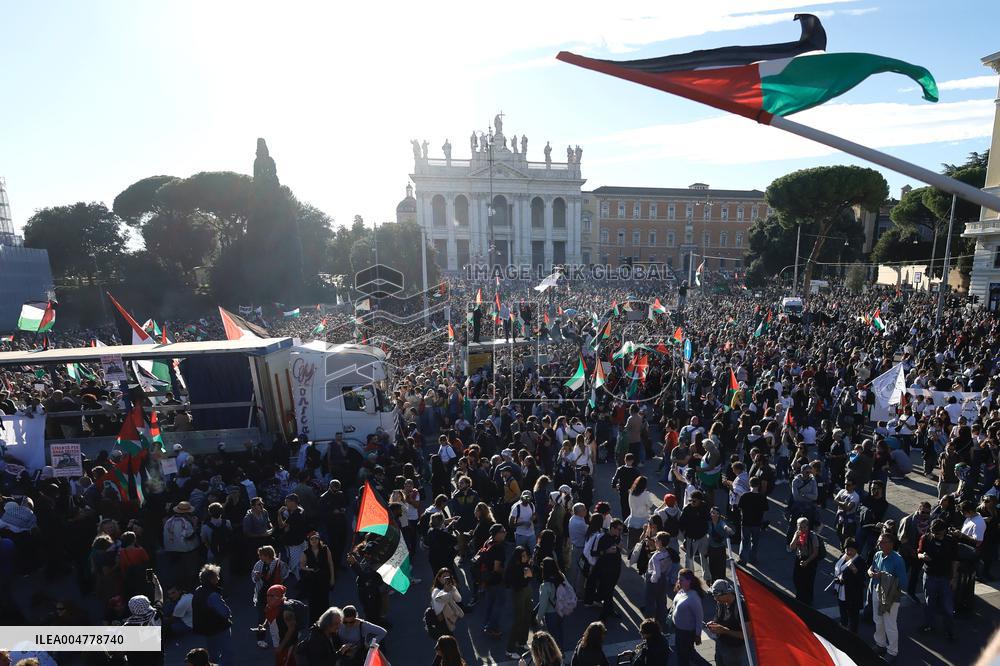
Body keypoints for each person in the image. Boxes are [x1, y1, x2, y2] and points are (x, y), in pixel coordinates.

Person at [868, 533, 907, 662]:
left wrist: (883, 576)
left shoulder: (898, 559)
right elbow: (872, 567)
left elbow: (903, 583)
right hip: (877, 591)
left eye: (883, 542)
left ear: (891, 544)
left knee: (890, 624)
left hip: (891, 596)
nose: (880, 544)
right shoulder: (878, 554)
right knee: (877, 620)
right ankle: (880, 644)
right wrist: (870, 572)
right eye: (879, 541)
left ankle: (892, 651)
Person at [917, 519, 956, 640]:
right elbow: (918, 553)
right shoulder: (925, 538)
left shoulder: (951, 541)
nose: (934, 535)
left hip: (945, 577)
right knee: (929, 603)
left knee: (948, 606)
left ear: (944, 531)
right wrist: (922, 556)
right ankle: (929, 625)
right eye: (933, 532)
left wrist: (954, 578)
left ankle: (949, 630)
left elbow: (955, 561)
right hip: (929, 575)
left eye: (937, 533)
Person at [191, 564, 234, 666]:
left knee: (212, 653)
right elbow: (225, 612)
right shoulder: (212, 595)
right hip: (219, 627)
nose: (218, 578)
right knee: (227, 653)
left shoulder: (198, 590)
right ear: (211, 579)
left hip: (207, 629)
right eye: (216, 576)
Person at [707, 579, 748, 666]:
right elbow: (718, 618)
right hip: (721, 644)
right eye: (714, 595)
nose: (715, 599)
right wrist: (713, 623)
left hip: (734, 650)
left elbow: (747, 635)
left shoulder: (741, 608)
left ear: (727, 593)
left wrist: (724, 630)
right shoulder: (720, 602)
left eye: (717, 596)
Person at [478, 524, 508, 639]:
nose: (505, 532)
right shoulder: (499, 548)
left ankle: (487, 623)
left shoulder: (488, 542)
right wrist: (506, 573)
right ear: (496, 534)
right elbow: (497, 568)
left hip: (486, 578)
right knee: (500, 603)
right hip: (496, 580)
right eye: (503, 531)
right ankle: (491, 627)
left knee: (489, 603)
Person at [504, 545, 534, 658]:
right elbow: (514, 583)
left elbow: (531, 576)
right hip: (518, 593)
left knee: (527, 616)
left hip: (527, 591)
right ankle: (509, 649)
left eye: (526, 555)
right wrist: (525, 576)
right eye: (523, 556)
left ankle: (522, 641)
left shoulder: (525, 565)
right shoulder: (514, 567)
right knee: (518, 620)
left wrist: (528, 573)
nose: (525, 558)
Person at [644, 532, 678, 631]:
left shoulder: (656, 557)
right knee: (661, 602)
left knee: (650, 602)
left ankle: (649, 625)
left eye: (656, 540)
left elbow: (656, 573)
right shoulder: (668, 553)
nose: (654, 541)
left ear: (660, 542)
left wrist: (652, 579)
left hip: (654, 580)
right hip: (664, 579)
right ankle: (662, 623)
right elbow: (668, 568)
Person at [299, 531, 335, 622]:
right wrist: (310, 570)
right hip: (312, 581)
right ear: (309, 541)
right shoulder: (306, 552)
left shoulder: (325, 549)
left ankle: (326, 622)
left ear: (319, 539)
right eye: (312, 539)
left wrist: (332, 578)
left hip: (324, 579)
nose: (314, 540)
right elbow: (302, 566)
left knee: (324, 601)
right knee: (313, 602)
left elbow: (330, 564)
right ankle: (314, 624)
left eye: (316, 538)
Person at [593, 519, 624, 621]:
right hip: (605, 569)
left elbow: (619, 548)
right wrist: (606, 551)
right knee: (608, 591)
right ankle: (604, 615)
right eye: (619, 529)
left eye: (621, 530)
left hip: (615, 568)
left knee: (610, 590)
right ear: (612, 528)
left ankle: (609, 610)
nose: (620, 532)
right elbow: (594, 553)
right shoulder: (602, 537)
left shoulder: (618, 537)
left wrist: (619, 547)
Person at [832, 538, 865, 632]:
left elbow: (862, 579)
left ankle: (853, 633)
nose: (849, 552)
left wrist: (855, 571)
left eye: (852, 549)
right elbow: (837, 570)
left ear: (856, 550)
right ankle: (843, 627)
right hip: (841, 591)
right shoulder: (842, 557)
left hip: (853, 594)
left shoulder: (860, 561)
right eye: (847, 549)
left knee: (853, 615)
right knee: (843, 611)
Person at [672, 569, 704, 666]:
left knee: (684, 654)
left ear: (689, 581)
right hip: (679, 629)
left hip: (686, 632)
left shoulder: (693, 598)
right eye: (678, 579)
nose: (678, 582)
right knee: (687, 652)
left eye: (681, 580)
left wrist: (698, 635)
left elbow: (699, 617)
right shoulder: (681, 591)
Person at [788, 517, 821, 605]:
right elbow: (791, 547)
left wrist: (807, 561)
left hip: (810, 559)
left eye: (804, 527)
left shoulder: (812, 536)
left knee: (808, 581)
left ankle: (808, 600)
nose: (802, 529)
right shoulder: (797, 534)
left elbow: (815, 552)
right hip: (799, 558)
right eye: (800, 527)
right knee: (797, 579)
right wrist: (796, 537)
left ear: (807, 526)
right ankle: (800, 596)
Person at [251, 546, 289, 623]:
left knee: (276, 608)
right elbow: (254, 577)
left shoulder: (280, 564)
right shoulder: (259, 564)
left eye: (261, 555)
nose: (259, 557)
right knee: (261, 607)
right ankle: (262, 624)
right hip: (262, 590)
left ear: (267, 555)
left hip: (275, 592)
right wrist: (256, 577)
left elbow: (285, 575)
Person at [535, 557, 566, 649]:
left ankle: (557, 654)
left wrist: (538, 618)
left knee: (553, 636)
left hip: (551, 613)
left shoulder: (545, 586)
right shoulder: (561, 577)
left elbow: (543, 604)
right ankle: (561, 651)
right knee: (559, 632)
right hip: (561, 610)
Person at [737, 477, 767, 565]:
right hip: (757, 523)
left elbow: (740, 508)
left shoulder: (744, 496)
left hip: (746, 522)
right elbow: (765, 510)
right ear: (759, 485)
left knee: (745, 541)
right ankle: (753, 559)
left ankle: (742, 559)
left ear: (749, 484)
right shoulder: (762, 497)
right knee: (755, 542)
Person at [679, 491, 710, 576]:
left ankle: (707, 577)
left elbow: (708, 519)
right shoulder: (687, 509)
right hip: (691, 538)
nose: (692, 502)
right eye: (691, 500)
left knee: (704, 557)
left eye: (694, 501)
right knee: (689, 559)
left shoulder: (704, 506)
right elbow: (681, 523)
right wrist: (686, 535)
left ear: (700, 501)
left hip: (703, 536)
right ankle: (689, 577)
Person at [625, 476, 660, 549]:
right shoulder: (645, 494)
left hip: (632, 520)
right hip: (643, 522)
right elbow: (650, 505)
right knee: (641, 546)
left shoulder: (631, 492)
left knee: (632, 545)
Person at [430, 568, 464, 635]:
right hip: (441, 619)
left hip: (450, 617)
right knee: (447, 639)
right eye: (443, 577)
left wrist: (453, 589)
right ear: (439, 579)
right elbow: (439, 602)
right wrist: (446, 590)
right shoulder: (435, 591)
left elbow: (458, 599)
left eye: (448, 577)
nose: (446, 579)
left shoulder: (450, 587)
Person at [706, 506, 734, 583]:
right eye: (711, 512)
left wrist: (727, 529)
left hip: (720, 548)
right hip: (711, 548)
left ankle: (722, 582)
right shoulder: (708, 522)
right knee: (712, 566)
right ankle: (713, 582)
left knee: (721, 566)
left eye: (713, 513)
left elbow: (724, 526)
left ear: (718, 515)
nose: (711, 514)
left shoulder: (721, 522)